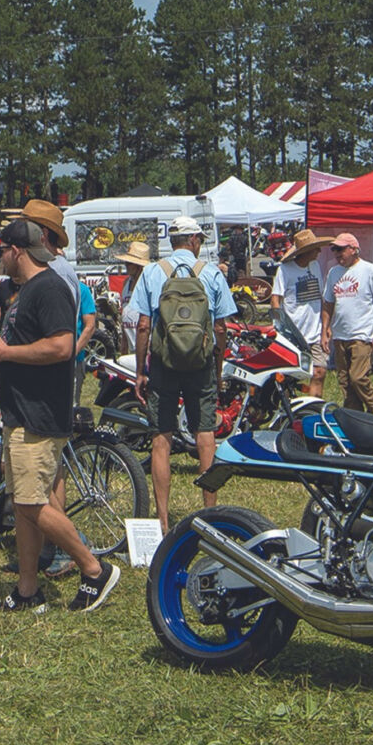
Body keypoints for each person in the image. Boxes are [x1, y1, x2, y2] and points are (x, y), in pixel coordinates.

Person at [0, 217, 120, 613]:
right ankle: (28, 590)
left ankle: (95, 569)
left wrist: (6, 354)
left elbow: (62, 347)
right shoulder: (24, 291)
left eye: (1, 251)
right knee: (23, 505)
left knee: (30, 504)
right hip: (20, 413)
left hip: (38, 415)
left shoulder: (49, 288)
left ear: (16, 251)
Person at [131, 217, 237, 531]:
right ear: (193, 240)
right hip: (201, 364)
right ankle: (209, 516)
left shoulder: (153, 272)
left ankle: (163, 521)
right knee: (205, 436)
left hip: (164, 364)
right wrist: (217, 372)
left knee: (161, 439)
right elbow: (220, 327)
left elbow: (143, 326)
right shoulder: (211, 273)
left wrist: (140, 371)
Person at [321, 233, 373, 414]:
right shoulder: (333, 272)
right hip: (340, 334)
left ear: (354, 249)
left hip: (362, 333)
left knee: (358, 377)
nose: (337, 253)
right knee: (345, 381)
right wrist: (324, 330)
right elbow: (328, 302)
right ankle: (355, 416)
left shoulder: (369, 270)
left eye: (341, 249)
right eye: (334, 249)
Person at [271, 230, 334, 396]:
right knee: (288, 374)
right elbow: (276, 298)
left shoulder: (315, 266)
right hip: (293, 332)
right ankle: (288, 409)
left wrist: (325, 326)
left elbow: (320, 297)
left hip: (314, 330)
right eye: (315, 249)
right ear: (306, 251)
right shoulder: (285, 270)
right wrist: (279, 326)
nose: (319, 252)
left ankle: (314, 407)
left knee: (319, 371)